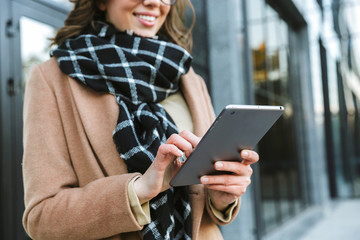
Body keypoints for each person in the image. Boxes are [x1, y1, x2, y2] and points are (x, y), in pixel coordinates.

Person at [22, 0, 259, 239]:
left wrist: (221, 198)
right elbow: (41, 218)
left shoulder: (188, 78)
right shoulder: (51, 78)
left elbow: (205, 209)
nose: (154, 2)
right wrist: (138, 191)